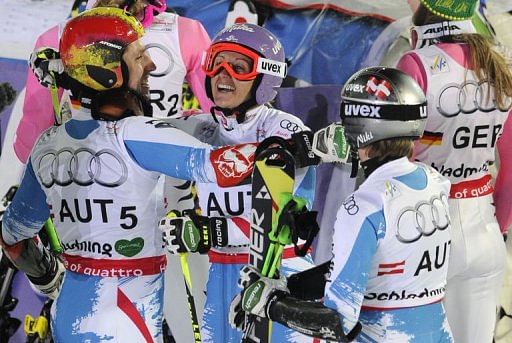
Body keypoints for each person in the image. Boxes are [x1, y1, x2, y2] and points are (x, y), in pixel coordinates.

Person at [0, 8, 273, 342]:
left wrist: (49, 279)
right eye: (140, 56)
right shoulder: (136, 133)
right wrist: (297, 145)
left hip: (69, 309)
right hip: (126, 317)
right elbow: (224, 166)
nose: (152, 66)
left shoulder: (46, 146)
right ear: (106, 74)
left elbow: (13, 237)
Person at [227, 66, 454, 342]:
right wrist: (288, 286)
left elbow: (337, 323)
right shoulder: (435, 181)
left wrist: (271, 304)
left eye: (346, 120)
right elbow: (371, 268)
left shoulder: (364, 206)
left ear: (360, 129)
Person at [158, 23, 317, 342]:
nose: (222, 73)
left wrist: (207, 230)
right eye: (215, 62)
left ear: (265, 77)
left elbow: (277, 222)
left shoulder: (284, 128)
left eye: (238, 66)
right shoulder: (199, 127)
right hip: (220, 271)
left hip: (278, 274)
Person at [396, 1, 512, 341]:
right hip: (484, 231)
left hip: (423, 226)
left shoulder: (415, 62)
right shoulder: (498, 63)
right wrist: (498, 225)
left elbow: (399, 156)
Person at [14, 0, 212, 165]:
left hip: (89, 180)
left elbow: (29, 148)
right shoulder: (185, 32)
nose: (149, 65)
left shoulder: (58, 36)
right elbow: (226, 125)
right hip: (147, 178)